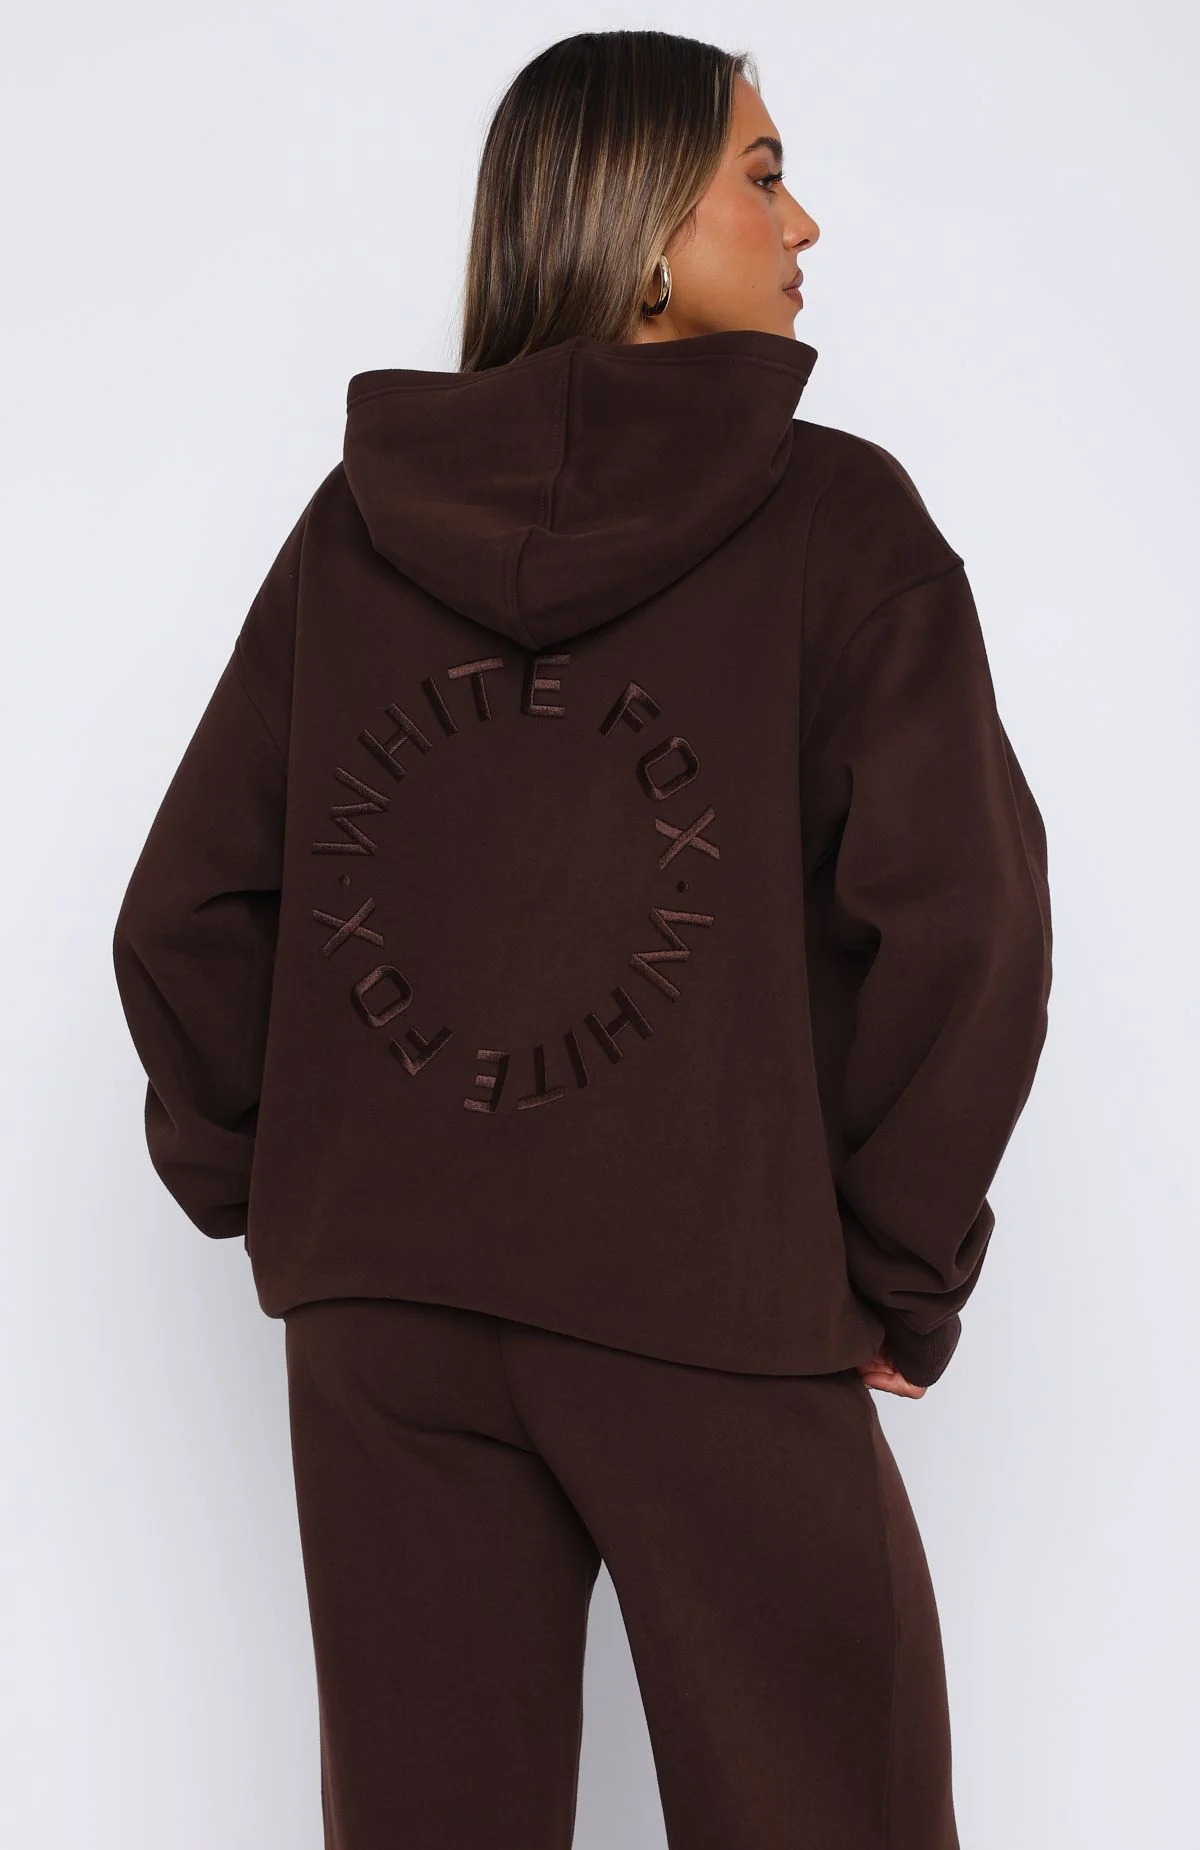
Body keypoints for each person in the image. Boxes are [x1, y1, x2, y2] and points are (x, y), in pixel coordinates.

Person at [111, 28, 1053, 1850]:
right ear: (645, 235)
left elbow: (192, 908)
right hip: (712, 1293)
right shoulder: (837, 519)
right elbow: (969, 925)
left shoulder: (356, 527)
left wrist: (286, 1184)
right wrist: (899, 1268)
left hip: (385, 1319)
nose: (805, 222)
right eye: (763, 175)